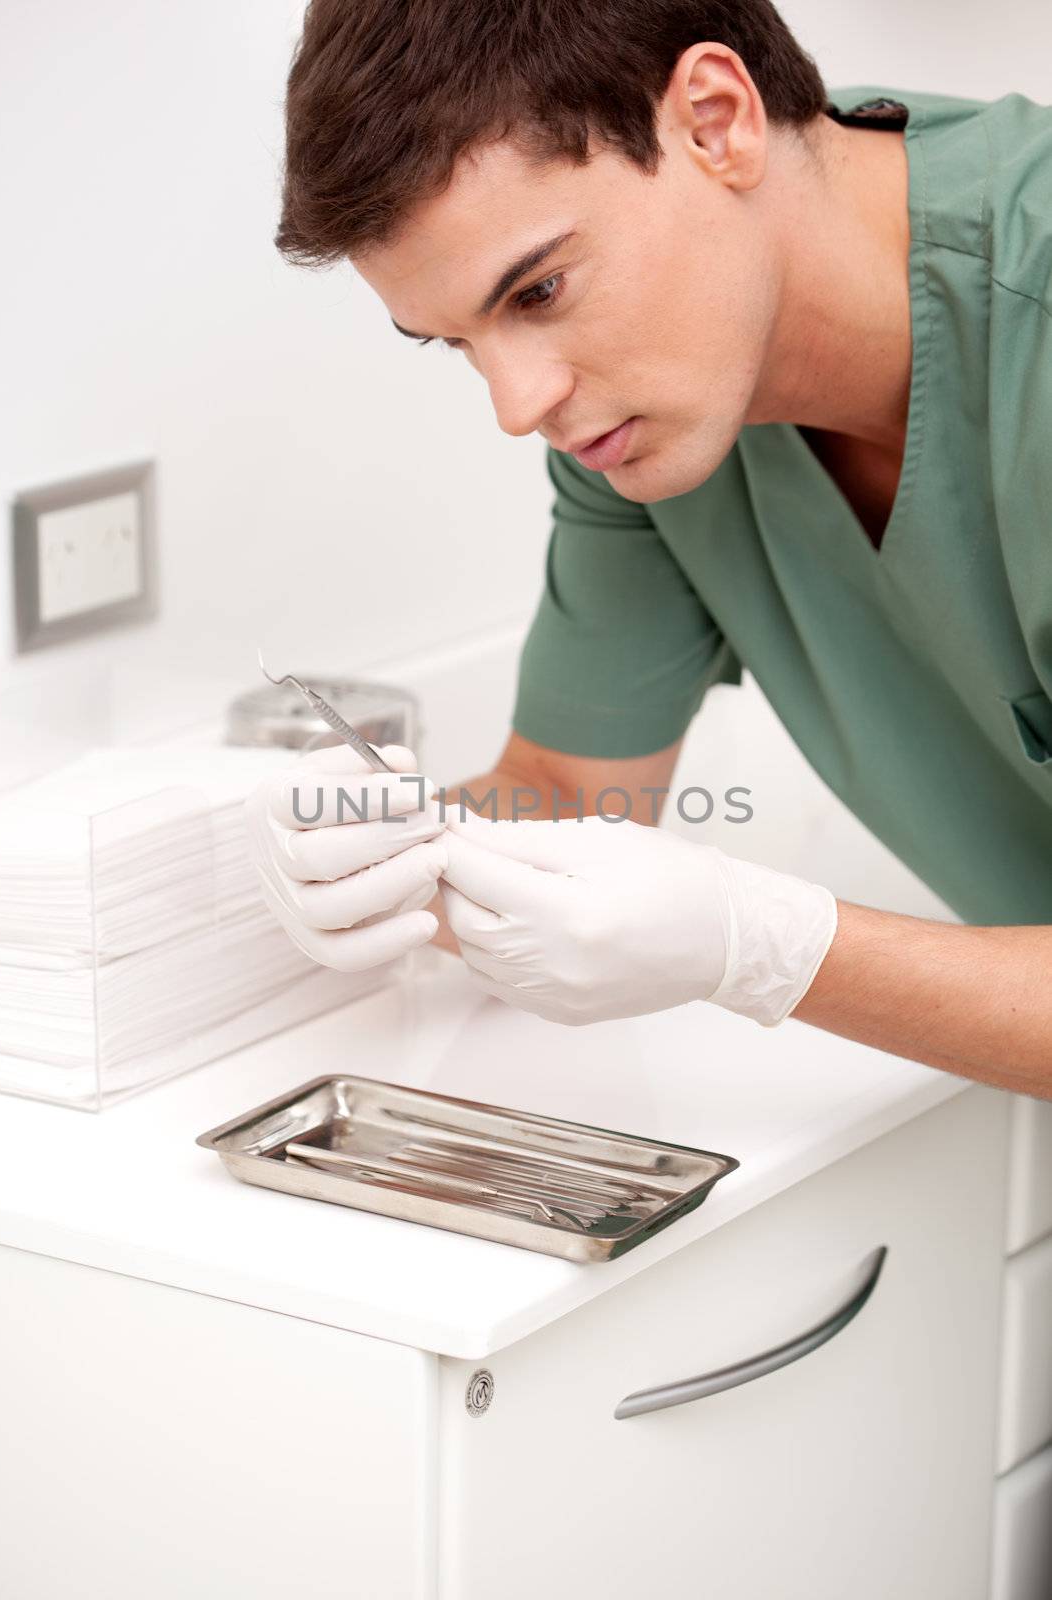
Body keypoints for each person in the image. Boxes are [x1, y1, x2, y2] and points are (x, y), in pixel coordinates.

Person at [246, 0, 1052, 1096]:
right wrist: (401, 860)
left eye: (538, 291)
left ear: (713, 122)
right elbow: (571, 791)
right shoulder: (657, 430)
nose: (518, 404)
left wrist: (761, 944)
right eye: (457, 346)